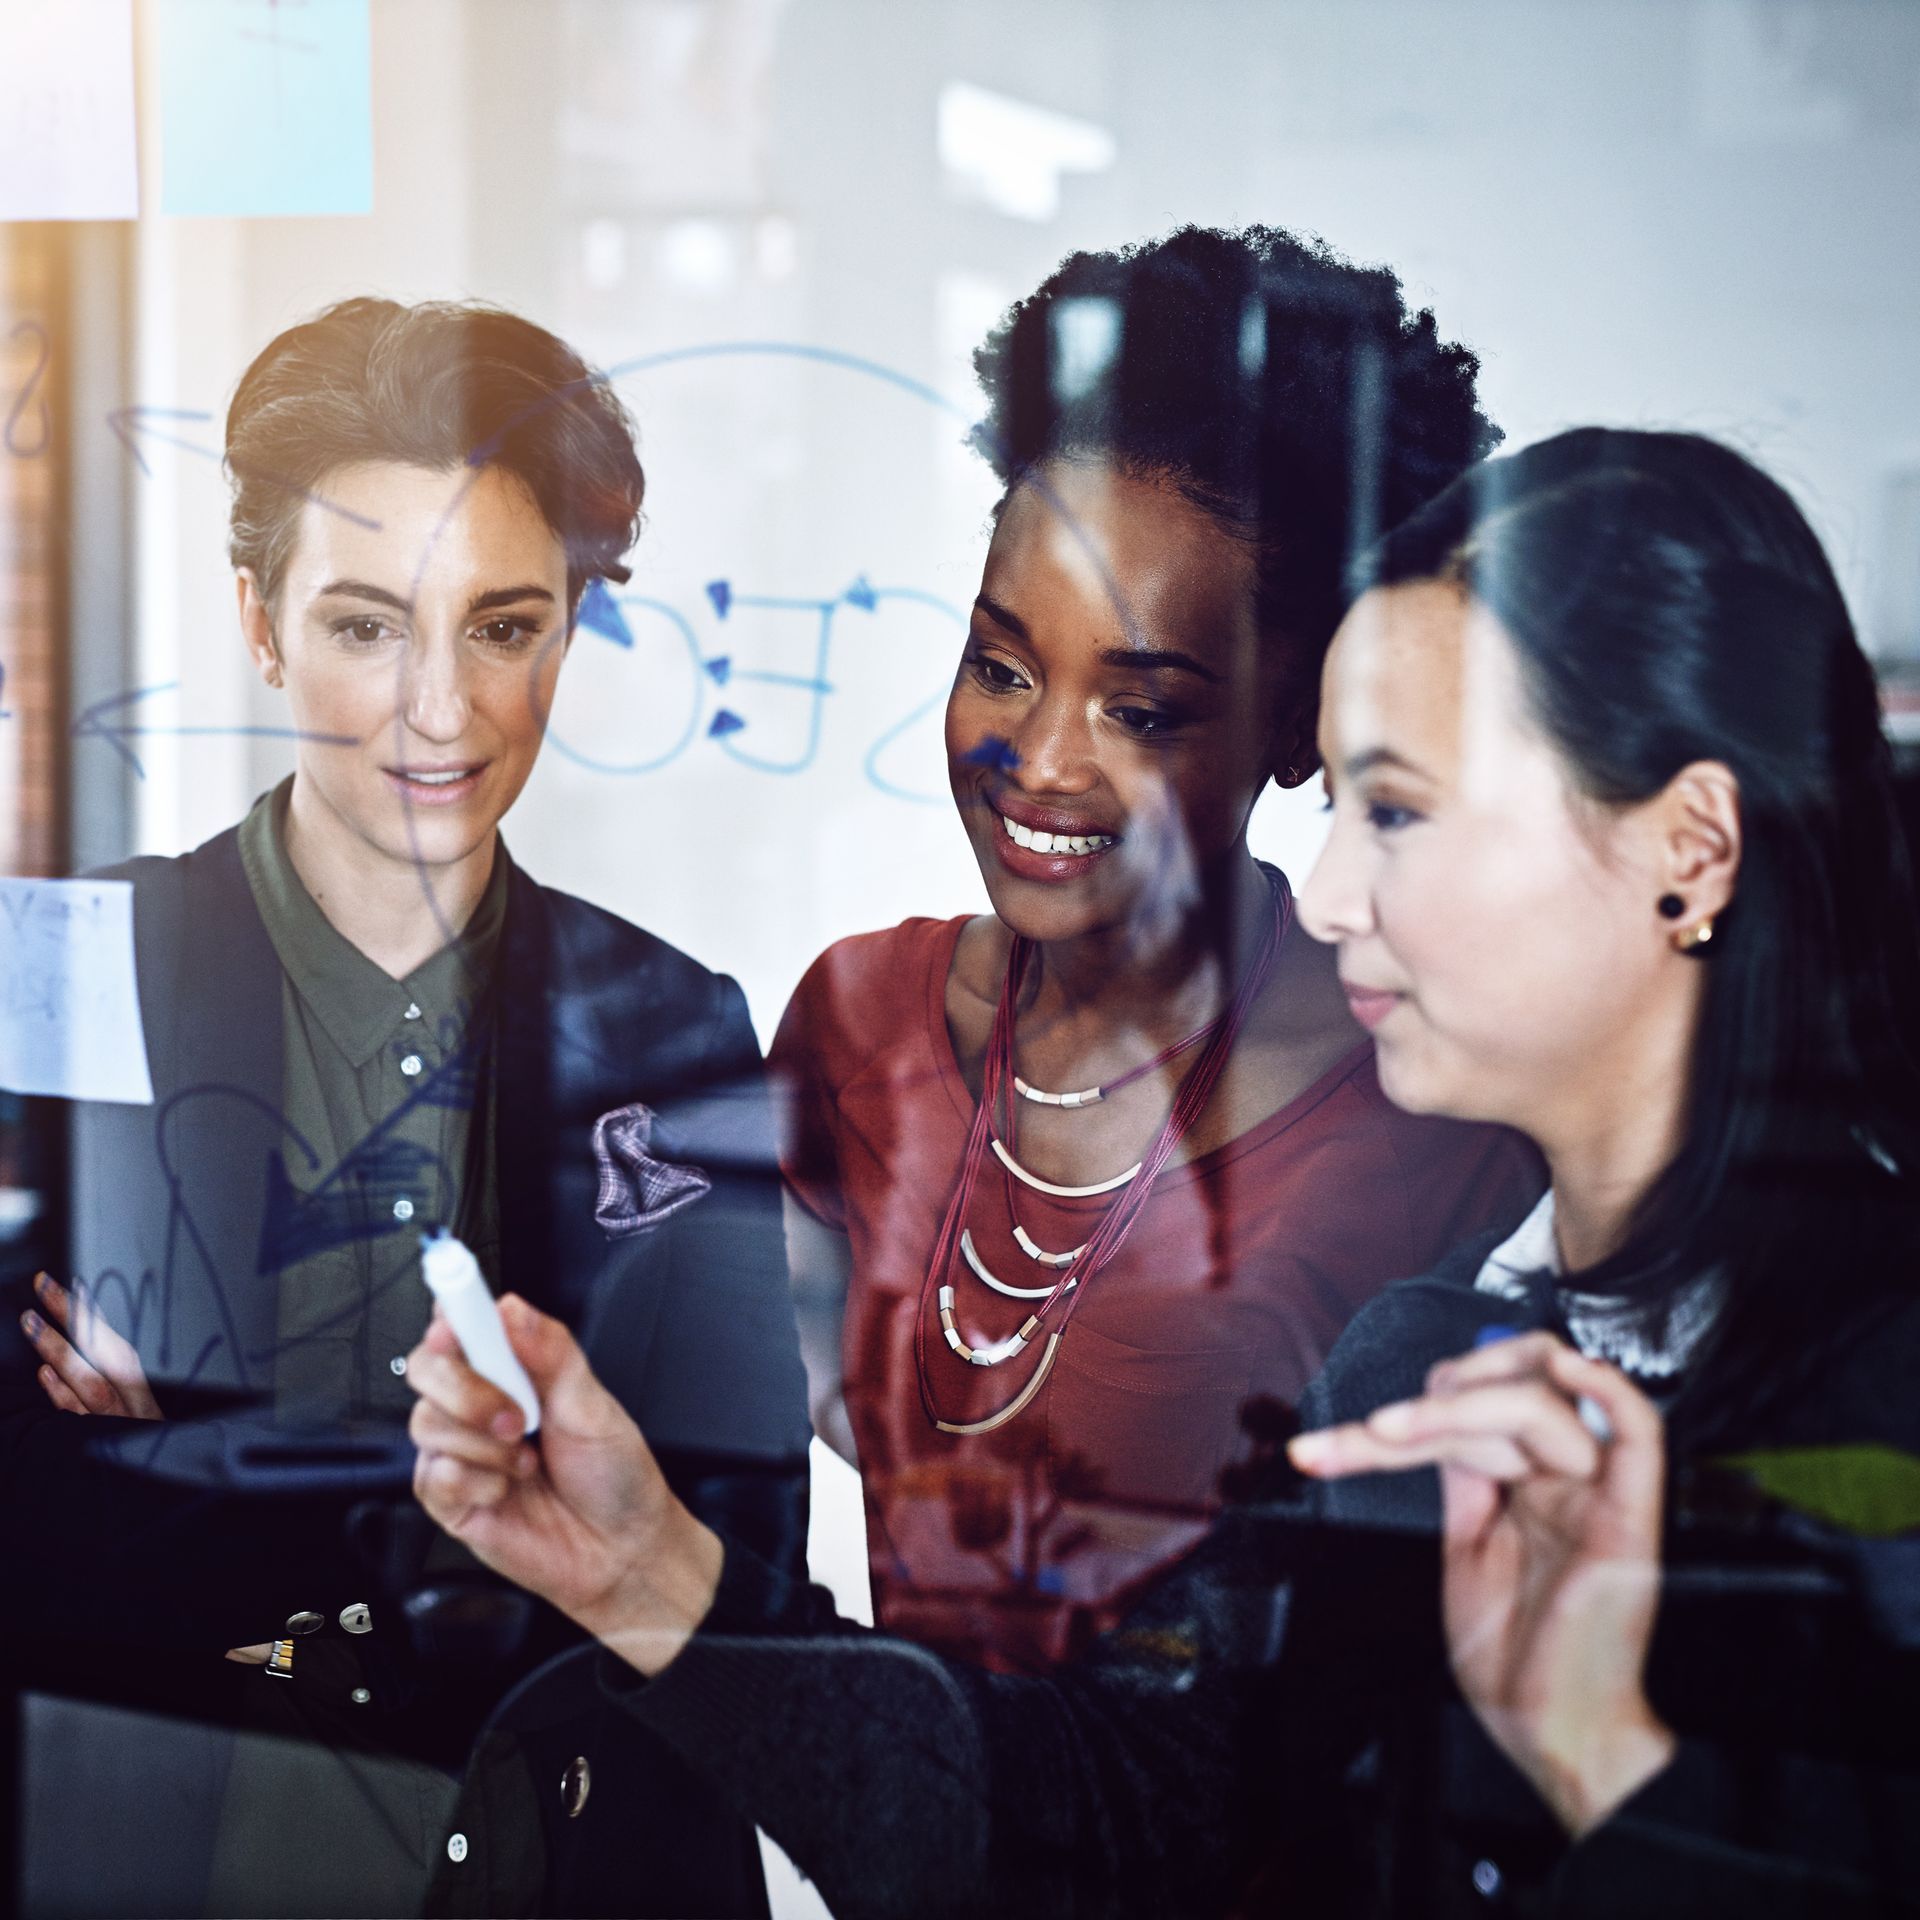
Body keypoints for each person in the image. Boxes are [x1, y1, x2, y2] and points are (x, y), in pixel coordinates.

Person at [409, 427, 1920, 1917]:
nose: (1326, 896)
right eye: (1343, 807)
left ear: (1690, 850)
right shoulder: (1426, 1362)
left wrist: (1608, 1771)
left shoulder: (1870, 1386)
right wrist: (644, 1570)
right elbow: (1114, 1823)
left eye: (1394, 812)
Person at [2, 299, 809, 1917]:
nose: (440, 710)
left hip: (562, 1867)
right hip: (171, 1855)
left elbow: (740, 1571)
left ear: (569, 633)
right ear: (259, 621)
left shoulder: (676, 1031)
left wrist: (202, 1447)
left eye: (502, 628)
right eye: (368, 626)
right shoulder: (64, 977)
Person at [771, 225, 1539, 1673]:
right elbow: (752, 1460)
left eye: (1143, 711)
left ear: (1302, 722)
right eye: (1001, 666)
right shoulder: (854, 1025)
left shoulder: (1435, 1115)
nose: (1040, 761)